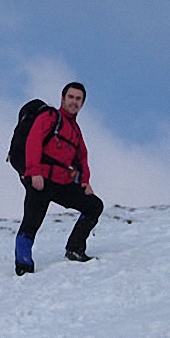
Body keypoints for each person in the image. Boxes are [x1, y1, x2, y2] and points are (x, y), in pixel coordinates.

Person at [15, 82, 104, 276]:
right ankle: (23, 264)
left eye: (78, 99)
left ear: (82, 103)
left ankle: (75, 248)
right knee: (32, 220)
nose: (74, 102)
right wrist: (34, 171)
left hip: (62, 182)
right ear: (63, 98)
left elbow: (81, 159)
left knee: (94, 205)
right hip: (41, 179)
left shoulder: (76, 131)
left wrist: (84, 182)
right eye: (71, 97)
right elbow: (33, 142)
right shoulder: (50, 117)